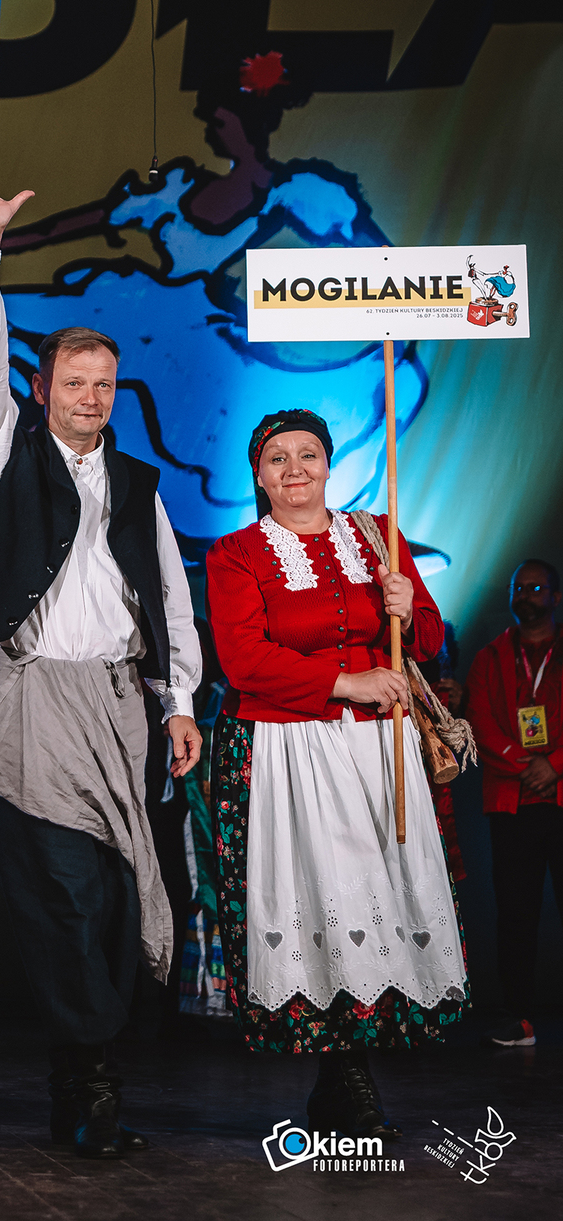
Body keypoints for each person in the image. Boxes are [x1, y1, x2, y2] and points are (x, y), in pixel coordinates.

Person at [0, 157, 203, 1160]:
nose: (92, 398)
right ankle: (89, 1087)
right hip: (37, 699)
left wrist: (179, 701)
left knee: (118, 892)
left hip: (119, 704)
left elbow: (168, 598)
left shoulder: (136, 482)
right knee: (66, 891)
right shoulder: (5, 451)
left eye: (105, 385)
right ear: (44, 388)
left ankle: (85, 1076)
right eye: (75, 383)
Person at [206, 410, 467, 1138]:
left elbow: (430, 640)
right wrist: (345, 683)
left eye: (308, 454)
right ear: (259, 476)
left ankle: (343, 1079)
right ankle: (347, 1080)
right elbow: (243, 660)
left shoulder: (377, 535)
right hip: (290, 748)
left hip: (378, 751)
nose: (294, 468)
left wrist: (409, 608)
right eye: (278, 458)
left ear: (329, 464)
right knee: (320, 902)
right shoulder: (236, 554)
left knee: (375, 901)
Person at [465, 558, 562, 1048]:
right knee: (516, 914)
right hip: (511, 802)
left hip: (561, 796)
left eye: (536, 588)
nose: (526, 595)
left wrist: (556, 764)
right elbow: (480, 724)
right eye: (518, 588)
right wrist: (528, 765)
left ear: (556, 597)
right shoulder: (489, 657)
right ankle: (518, 1020)